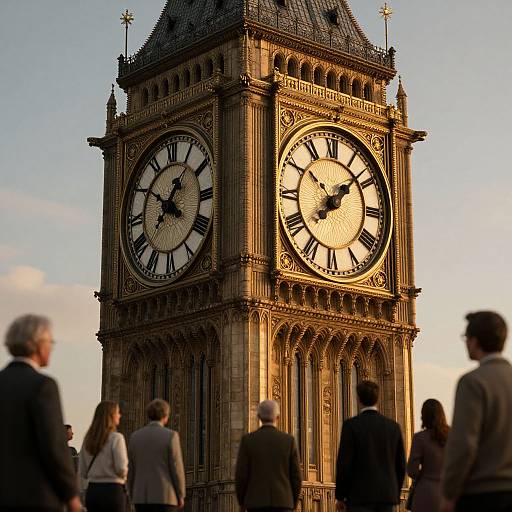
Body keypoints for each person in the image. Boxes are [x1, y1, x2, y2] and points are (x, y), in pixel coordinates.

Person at [0, 314, 80, 512]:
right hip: (36, 496)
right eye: (50, 341)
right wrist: (70, 495)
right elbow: (54, 445)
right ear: (36, 344)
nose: (51, 347)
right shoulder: (43, 385)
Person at [440, 311, 512, 512]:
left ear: (474, 341)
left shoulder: (472, 382)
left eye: (465, 338)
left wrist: (449, 493)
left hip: (483, 495)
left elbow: (464, 445)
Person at [335, 380, 406, 512]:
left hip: (358, 497)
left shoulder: (351, 426)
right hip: (386, 497)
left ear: (359, 399)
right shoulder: (393, 427)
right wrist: (394, 493)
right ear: (377, 399)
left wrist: (340, 496)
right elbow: (401, 465)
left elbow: (344, 464)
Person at [235, 399, 302, 512]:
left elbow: (241, 476)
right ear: (278, 417)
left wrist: (242, 502)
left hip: (256, 503)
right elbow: (296, 477)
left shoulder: (248, 441)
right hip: (283, 504)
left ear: (259, 416)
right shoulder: (288, 441)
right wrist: (293, 502)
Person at [127, 398, 186, 512]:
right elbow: (176, 468)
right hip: (165, 497)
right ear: (165, 416)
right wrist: (181, 494)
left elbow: (131, 469)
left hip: (141, 498)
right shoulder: (171, 436)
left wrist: (131, 494)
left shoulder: (135, 437)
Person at [79, 401, 129, 512]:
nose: (119, 415)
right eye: (117, 413)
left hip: (93, 490)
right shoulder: (116, 438)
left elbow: (82, 470)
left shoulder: (87, 439)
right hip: (112, 490)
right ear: (111, 416)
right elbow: (121, 468)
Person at [407, 399, 449, 512]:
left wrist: (424, 476)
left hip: (425, 494)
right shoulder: (453, 435)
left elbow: (411, 470)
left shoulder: (420, 438)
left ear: (423, 416)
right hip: (448, 493)